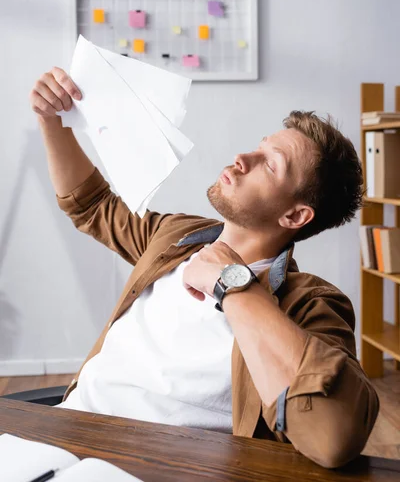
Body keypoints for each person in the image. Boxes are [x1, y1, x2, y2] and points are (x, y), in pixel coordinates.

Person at [29, 67, 379, 469]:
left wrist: (232, 284)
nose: (243, 158)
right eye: (258, 146)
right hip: (61, 437)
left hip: (148, 468)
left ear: (295, 215)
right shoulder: (175, 236)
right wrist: (51, 121)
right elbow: (92, 206)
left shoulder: (310, 303)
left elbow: (335, 436)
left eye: (270, 164)